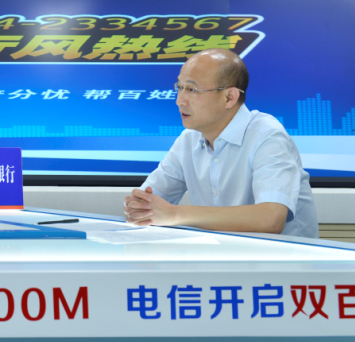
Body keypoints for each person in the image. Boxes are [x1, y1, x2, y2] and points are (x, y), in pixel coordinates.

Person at [123, 48, 318, 238]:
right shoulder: (188, 139)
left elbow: (270, 219)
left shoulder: (267, 136)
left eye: (191, 89)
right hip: (221, 255)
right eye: (179, 87)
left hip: (284, 258)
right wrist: (137, 207)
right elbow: (146, 203)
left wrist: (174, 214)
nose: (179, 100)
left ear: (229, 97)